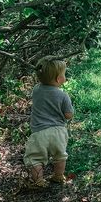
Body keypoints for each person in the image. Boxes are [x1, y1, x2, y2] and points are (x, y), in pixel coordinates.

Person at [24, 56, 74, 188]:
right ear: (58, 79)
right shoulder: (63, 95)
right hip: (58, 132)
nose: (65, 76)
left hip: (39, 132)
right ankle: (58, 176)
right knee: (60, 155)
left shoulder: (36, 89)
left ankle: (39, 181)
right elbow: (68, 115)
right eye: (64, 74)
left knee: (35, 158)